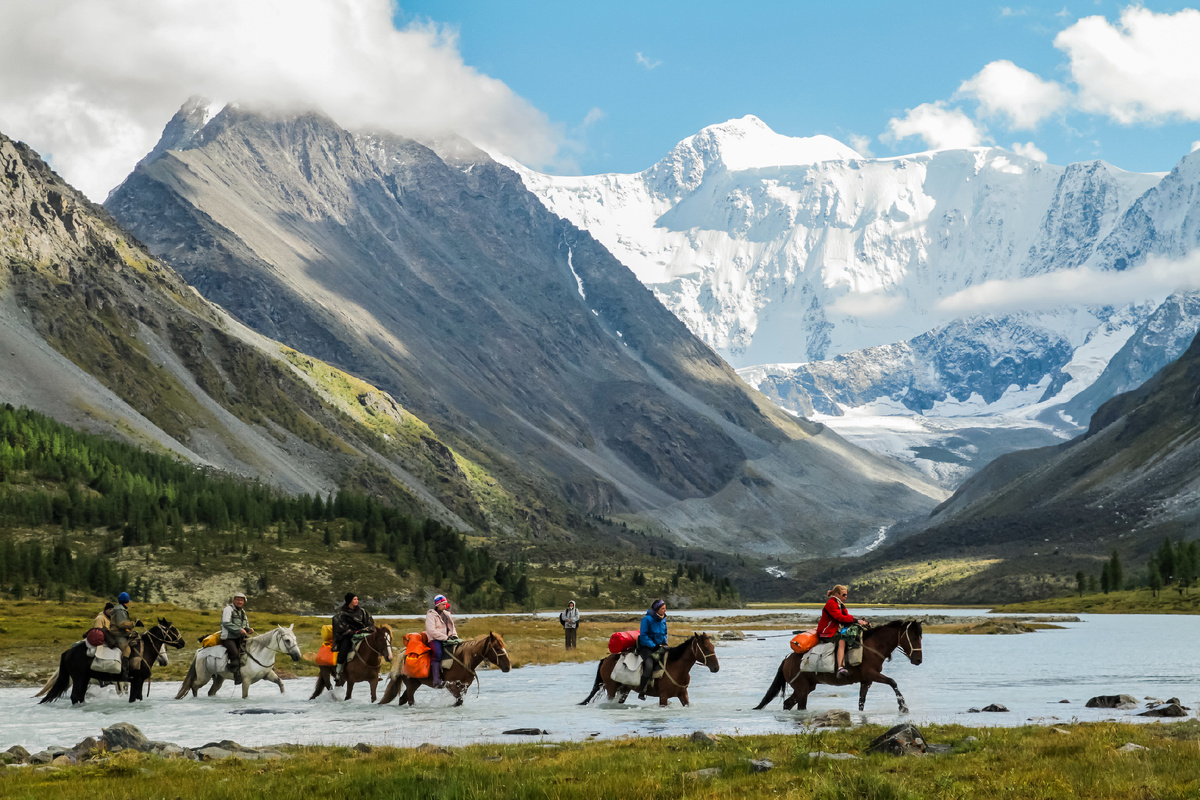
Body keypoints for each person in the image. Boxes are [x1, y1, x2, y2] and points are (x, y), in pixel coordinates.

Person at [817, 584, 869, 678]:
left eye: (846, 595)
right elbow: (839, 617)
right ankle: (840, 667)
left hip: (834, 630)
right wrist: (856, 620)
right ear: (837, 594)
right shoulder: (831, 603)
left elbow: (847, 617)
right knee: (842, 640)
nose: (846, 597)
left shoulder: (840, 604)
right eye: (844, 595)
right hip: (826, 632)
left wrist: (860, 622)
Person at [332, 592, 375, 679]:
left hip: (363, 634)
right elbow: (341, 628)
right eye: (355, 599)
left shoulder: (362, 612)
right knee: (344, 648)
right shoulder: (341, 614)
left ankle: (374, 670)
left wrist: (363, 631)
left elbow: (370, 623)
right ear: (349, 601)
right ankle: (339, 670)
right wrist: (353, 632)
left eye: (357, 599)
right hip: (348, 636)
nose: (357, 601)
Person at [425, 594, 458, 688]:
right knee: (438, 653)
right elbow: (431, 630)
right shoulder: (431, 615)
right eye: (443, 604)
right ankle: (436, 679)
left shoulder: (447, 614)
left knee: (457, 652)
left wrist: (454, 636)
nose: (445, 606)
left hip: (447, 638)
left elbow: (452, 627)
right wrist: (445, 637)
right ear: (437, 605)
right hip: (434, 639)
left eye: (445, 604)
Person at [637, 599, 668, 699]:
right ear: (657, 609)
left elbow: (665, 633)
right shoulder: (646, 619)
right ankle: (642, 691)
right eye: (662, 608)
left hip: (661, 647)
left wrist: (665, 643)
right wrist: (654, 645)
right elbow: (644, 636)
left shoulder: (663, 619)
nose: (665, 610)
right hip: (647, 648)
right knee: (649, 666)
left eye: (665, 608)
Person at [220, 592, 253, 687]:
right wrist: (239, 630)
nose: (239, 601)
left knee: (253, 648)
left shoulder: (243, 612)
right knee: (234, 653)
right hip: (228, 637)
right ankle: (236, 675)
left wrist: (248, 629)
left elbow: (245, 625)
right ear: (234, 600)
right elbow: (226, 623)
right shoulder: (228, 609)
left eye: (241, 600)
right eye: (237, 599)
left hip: (240, 637)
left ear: (244, 602)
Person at [109, 592, 144, 676]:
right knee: (126, 648)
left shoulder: (118, 608)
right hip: (118, 634)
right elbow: (121, 624)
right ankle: (124, 670)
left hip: (121, 633)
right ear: (127, 601)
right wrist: (134, 623)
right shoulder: (120, 610)